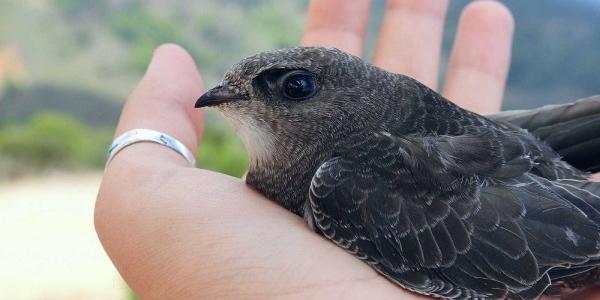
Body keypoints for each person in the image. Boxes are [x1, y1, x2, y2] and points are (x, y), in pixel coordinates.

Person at [95, 0, 598, 299]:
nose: (228, 98)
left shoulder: (345, 184)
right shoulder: (364, 146)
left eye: (292, 88)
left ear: (350, 101)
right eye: (236, 85)